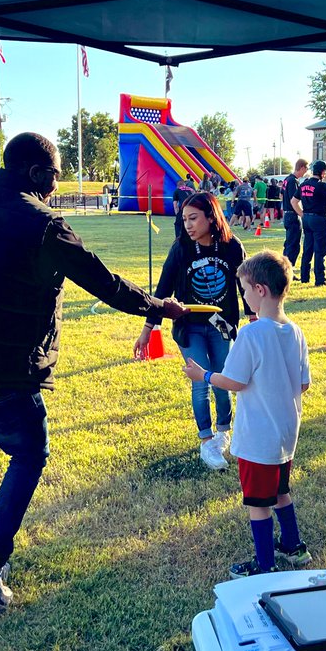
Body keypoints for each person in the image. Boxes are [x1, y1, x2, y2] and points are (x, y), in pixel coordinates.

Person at [0, 132, 186, 614]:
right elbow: (104, 282)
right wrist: (161, 307)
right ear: (35, 174)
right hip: (1, 378)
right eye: (53, 177)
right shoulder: (41, 222)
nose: (54, 187)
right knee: (29, 453)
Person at [183, 250, 312, 578]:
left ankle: (265, 565)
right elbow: (304, 383)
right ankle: (294, 547)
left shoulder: (252, 333)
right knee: (281, 491)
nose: (242, 297)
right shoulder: (295, 331)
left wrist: (205, 376)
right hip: (286, 433)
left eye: (243, 290)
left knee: (258, 502)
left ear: (260, 290)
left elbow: (235, 381)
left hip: (258, 436)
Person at [136, 191, 249, 470]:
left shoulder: (232, 247)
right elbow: (161, 292)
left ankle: (224, 432)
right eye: (184, 219)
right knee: (201, 384)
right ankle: (206, 441)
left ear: (211, 217)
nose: (188, 225)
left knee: (223, 381)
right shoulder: (181, 248)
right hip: (190, 328)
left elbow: (245, 286)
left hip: (222, 326)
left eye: (194, 218)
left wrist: (256, 320)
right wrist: (147, 329)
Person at [297, 160, 326, 286]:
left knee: (308, 248)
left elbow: (294, 201)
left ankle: (304, 277)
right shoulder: (321, 185)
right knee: (320, 250)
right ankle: (320, 279)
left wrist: (303, 215)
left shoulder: (304, 184)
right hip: (320, 219)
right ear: (322, 172)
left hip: (307, 218)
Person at [281, 159, 306, 265]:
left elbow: (281, 195)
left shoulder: (287, 179)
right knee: (294, 245)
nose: (306, 172)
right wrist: (302, 215)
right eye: (306, 169)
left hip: (287, 214)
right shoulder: (293, 181)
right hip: (293, 215)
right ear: (302, 168)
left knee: (289, 243)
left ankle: (284, 267)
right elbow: (294, 200)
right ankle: (288, 269)